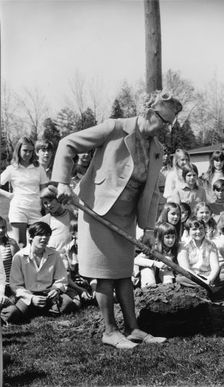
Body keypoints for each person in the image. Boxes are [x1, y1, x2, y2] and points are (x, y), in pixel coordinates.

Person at [52, 91, 182, 349]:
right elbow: (68, 143)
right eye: (163, 120)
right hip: (97, 211)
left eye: (170, 123)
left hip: (125, 217)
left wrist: (147, 227)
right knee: (105, 274)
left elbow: (152, 191)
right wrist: (63, 182)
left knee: (123, 273)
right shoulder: (114, 128)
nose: (166, 128)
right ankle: (110, 331)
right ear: (148, 111)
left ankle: (133, 329)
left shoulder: (156, 149)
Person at [1, 222, 77, 323]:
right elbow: (15, 285)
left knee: (68, 303)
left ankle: (41, 311)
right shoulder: (19, 257)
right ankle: (40, 311)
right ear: (31, 237)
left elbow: (61, 278)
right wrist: (31, 298)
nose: (44, 238)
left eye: (47, 235)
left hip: (49, 294)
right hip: (28, 296)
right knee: (12, 314)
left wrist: (56, 290)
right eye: (40, 235)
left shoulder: (55, 255)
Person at [0, 136, 49, 247]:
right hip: (18, 209)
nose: (28, 154)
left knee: (38, 244)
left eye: (31, 151)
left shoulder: (39, 168)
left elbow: (44, 190)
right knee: (21, 244)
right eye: (25, 150)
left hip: (36, 210)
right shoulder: (12, 169)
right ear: (18, 150)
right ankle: (19, 265)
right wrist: (8, 195)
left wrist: (46, 208)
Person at [176, 217, 220, 287]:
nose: (198, 232)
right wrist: (202, 281)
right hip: (192, 276)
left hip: (208, 275)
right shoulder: (183, 245)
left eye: (201, 228)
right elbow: (185, 268)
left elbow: (215, 266)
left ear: (205, 229)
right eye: (194, 229)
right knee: (180, 278)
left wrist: (210, 279)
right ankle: (205, 286)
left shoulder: (211, 244)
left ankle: (207, 284)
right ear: (188, 231)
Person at [134, 222, 178, 287]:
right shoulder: (154, 249)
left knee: (167, 264)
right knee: (147, 268)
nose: (171, 240)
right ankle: (149, 288)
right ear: (160, 238)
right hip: (150, 276)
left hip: (163, 276)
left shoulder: (174, 249)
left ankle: (168, 287)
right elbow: (137, 260)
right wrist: (155, 263)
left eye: (173, 237)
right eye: (167, 237)